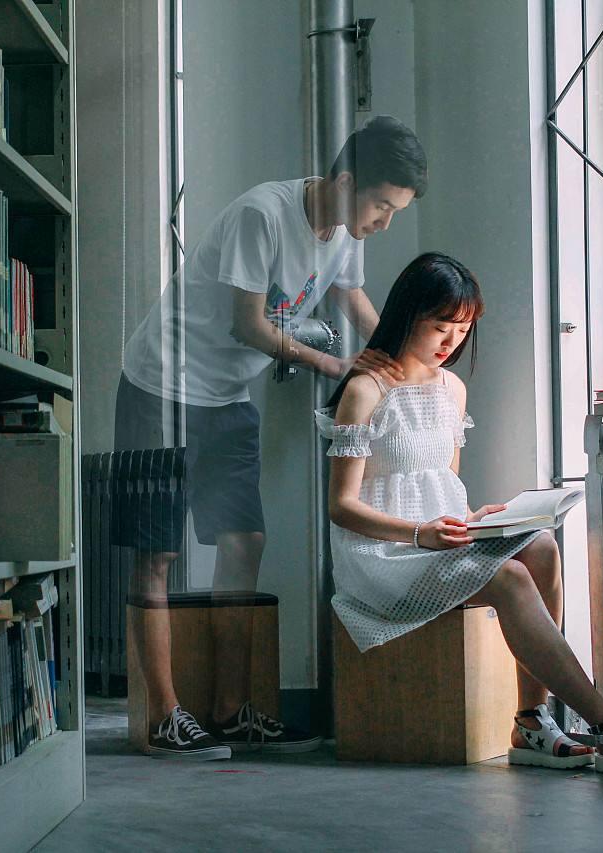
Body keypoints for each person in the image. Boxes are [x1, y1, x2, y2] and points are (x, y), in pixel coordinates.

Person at [117, 115, 427, 760]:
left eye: (395, 211)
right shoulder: (263, 213)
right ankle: (165, 717)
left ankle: (229, 712)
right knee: (157, 555)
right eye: (381, 206)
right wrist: (339, 366)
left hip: (225, 395)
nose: (383, 222)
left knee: (245, 541)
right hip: (161, 386)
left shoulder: (345, 228)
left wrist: (407, 363)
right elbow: (250, 327)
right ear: (345, 181)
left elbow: (355, 300)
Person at [317, 252, 603, 778]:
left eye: (462, 329)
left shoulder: (452, 390)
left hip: (439, 542)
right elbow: (341, 507)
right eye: (440, 326)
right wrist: (420, 533)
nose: (451, 341)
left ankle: (531, 722)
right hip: (383, 558)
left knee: (540, 546)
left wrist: (475, 517)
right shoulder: (366, 390)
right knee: (509, 578)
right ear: (405, 316)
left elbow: (443, 485)